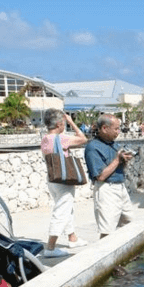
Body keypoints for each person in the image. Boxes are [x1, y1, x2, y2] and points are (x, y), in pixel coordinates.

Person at [40, 109, 88, 258]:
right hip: (64, 179)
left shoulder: (45, 139)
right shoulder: (61, 139)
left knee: (66, 208)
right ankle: (51, 247)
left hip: (52, 178)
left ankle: (72, 237)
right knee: (61, 210)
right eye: (64, 123)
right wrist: (72, 122)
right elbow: (83, 138)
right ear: (60, 123)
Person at [84, 114, 135, 239]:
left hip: (120, 188)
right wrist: (118, 160)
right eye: (116, 129)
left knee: (130, 223)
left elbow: (116, 167)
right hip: (106, 190)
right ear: (105, 128)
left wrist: (124, 160)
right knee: (108, 230)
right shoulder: (92, 147)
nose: (118, 132)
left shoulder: (113, 144)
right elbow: (100, 176)